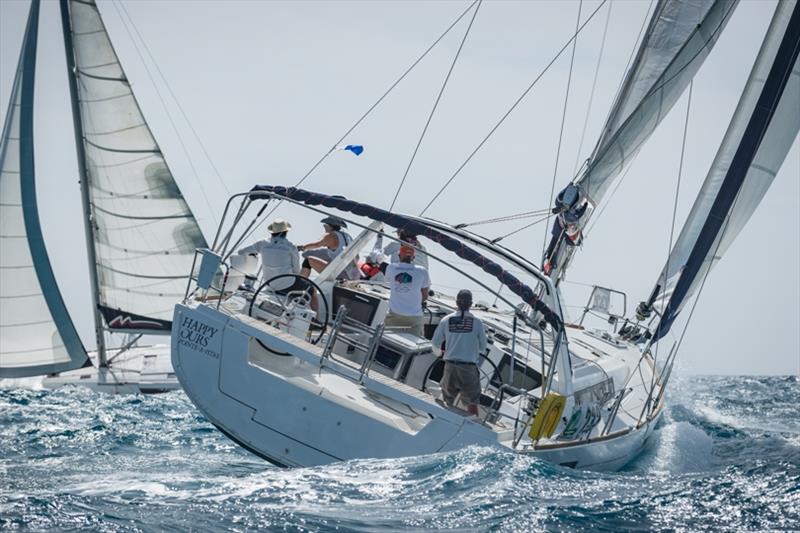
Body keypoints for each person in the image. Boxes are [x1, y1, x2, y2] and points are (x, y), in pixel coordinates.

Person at [431, 289, 487, 416]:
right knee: (472, 402)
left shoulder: (446, 320)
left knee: (447, 400)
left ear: (456, 303)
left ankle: (441, 422)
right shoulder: (478, 323)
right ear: (471, 304)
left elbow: (435, 343)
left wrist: (440, 354)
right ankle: (472, 431)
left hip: (449, 366)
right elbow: (483, 347)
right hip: (468, 368)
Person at [237, 219, 306, 294]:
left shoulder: (263, 243)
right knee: (311, 289)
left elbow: (241, 252)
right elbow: (296, 270)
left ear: (272, 231)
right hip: (287, 285)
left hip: (269, 285)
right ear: (285, 232)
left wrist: (254, 254)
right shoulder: (291, 247)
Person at [383, 244, 430, 337]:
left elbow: (387, 281)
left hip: (394, 314)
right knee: (416, 344)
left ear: (399, 256)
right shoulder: (422, 271)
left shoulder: (391, 268)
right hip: (414, 316)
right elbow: (425, 296)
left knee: (388, 340)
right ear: (413, 257)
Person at [298, 216, 360, 280]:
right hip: (354, 275)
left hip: (340, 274)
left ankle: (300, 284)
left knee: (308, 260)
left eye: (325, 225)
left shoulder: (330, 235)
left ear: (329, 226)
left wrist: (302, 247)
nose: (324, 227)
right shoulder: (348, 236)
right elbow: (357, 257)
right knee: (329, 261)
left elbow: (317, 244)